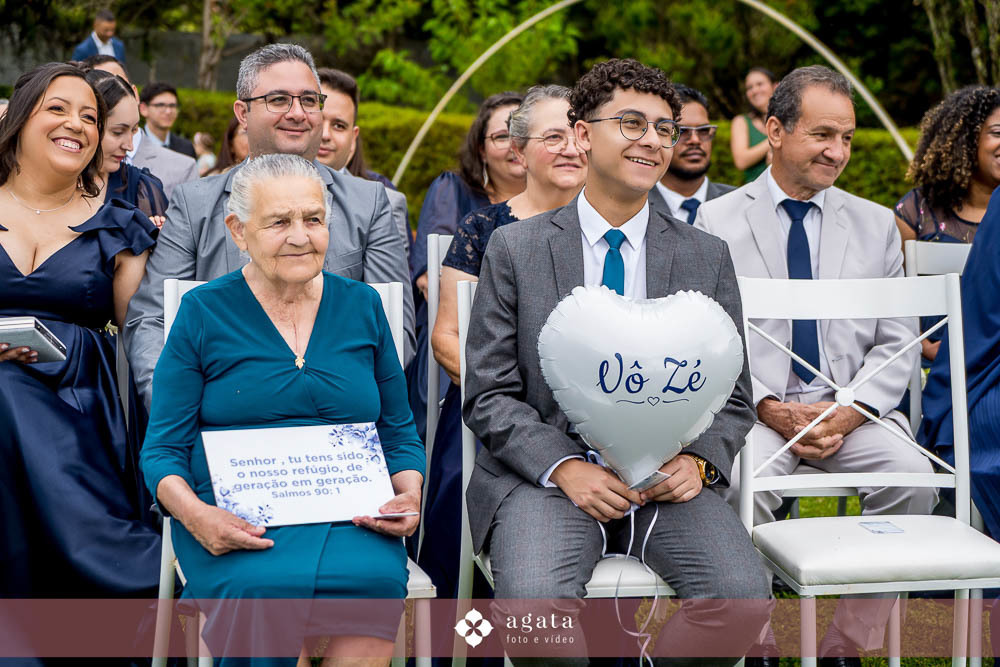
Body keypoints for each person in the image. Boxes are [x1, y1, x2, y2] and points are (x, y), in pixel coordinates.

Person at [464, 59, 770, 664]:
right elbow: (489, 392)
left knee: (742, 602)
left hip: (665, 479)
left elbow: (733, 396)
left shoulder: (704, 256)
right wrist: (563, 467)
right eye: (631, 123)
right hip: (546, 481)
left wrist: (700, 461)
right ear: (582, 134)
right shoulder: (517, 248)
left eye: (666, 128)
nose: (653, 140)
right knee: (531, 617)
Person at [140, 153, 424, 666]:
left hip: (351, 517)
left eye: (313, 219)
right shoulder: (202, 313)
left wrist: (407, 493)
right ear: (238, 230)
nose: (300, 236)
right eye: (279, 222)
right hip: (237, 519)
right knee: (264, 585)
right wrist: (197, 516)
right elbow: (162, 449)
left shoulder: (363, 307)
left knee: (375, 580)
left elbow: (398, 430)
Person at [696, 65, 935, 665]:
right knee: (733, 488)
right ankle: (755, 638)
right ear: (774, 130)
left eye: (848, 138)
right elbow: (708, 334)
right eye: (823, 134)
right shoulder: (717, 221)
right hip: (757, 413)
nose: (838, 151)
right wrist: (770, 407)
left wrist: (850, 412)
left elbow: (897, 339)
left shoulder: (877, 223)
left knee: (911, 477)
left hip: (849, 414)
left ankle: (846, 642)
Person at [124, 43, 414, 411]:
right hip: (220, 417)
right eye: (278, 99)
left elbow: (395, 330)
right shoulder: (194, 203)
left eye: (309, 100)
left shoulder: (371, 204)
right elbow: (152, 320)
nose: (298, 113)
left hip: (336, 421)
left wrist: (336, 404)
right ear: (242, 113)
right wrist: (178, 408)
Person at [420, 84, 587, 600]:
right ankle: (475, 640)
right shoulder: (484, 228)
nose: (571, 148)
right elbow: (447, 337)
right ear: (518, 152)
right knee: (456, 479)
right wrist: (509, 404)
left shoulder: (615, 230)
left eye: (579, 135)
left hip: (600, 408)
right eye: (553, 136)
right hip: (492, 408)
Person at [0, 63, 159, 602]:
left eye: (90, 117)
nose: (78, 124)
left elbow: (142, 333)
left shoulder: (119, 224)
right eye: (59, 108)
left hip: (80, 399)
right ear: (20, 119)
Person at [404, 91, 524, 442]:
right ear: (481, 149)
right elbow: (431, 279)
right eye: (502, 137)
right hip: (458, 335)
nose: (514, 145)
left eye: (522, 134)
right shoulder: (453, 190)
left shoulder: (564, 204)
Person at [895, 86, 1000, 363]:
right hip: (937, 370)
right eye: (997, 133)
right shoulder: (917, 211)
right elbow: (891, 299)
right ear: (966, 139)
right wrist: (923, 344)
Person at [315, 68, 410, 254]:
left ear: (353, 138)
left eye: (338, 126)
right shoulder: (259, 189)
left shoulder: (387, 204)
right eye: (318, 120)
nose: (325, 134)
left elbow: (388, 282)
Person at [85, 69, 168, 226]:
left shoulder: (142, 190)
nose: (129, 146)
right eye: (117, 132)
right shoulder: (50, 185)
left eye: (134, 130)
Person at [648, 83, 735, 224]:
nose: (695, 140)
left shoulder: (738, 203)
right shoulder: (634, 206)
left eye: (704, 130)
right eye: (682, 131)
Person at [730, 67, 777, 184]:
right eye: (749, 87)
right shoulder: (742, 121)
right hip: (755, 193)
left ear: (775, 86)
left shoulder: (792, 118)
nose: (755, 90)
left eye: (760, 84)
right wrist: (774, 140)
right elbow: (741, 161)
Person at [139, 81, 197, 159]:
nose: (168, 111)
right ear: (144, 109)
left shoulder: (186, 148)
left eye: (172, 106)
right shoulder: (134, 146)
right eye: (161, 105)